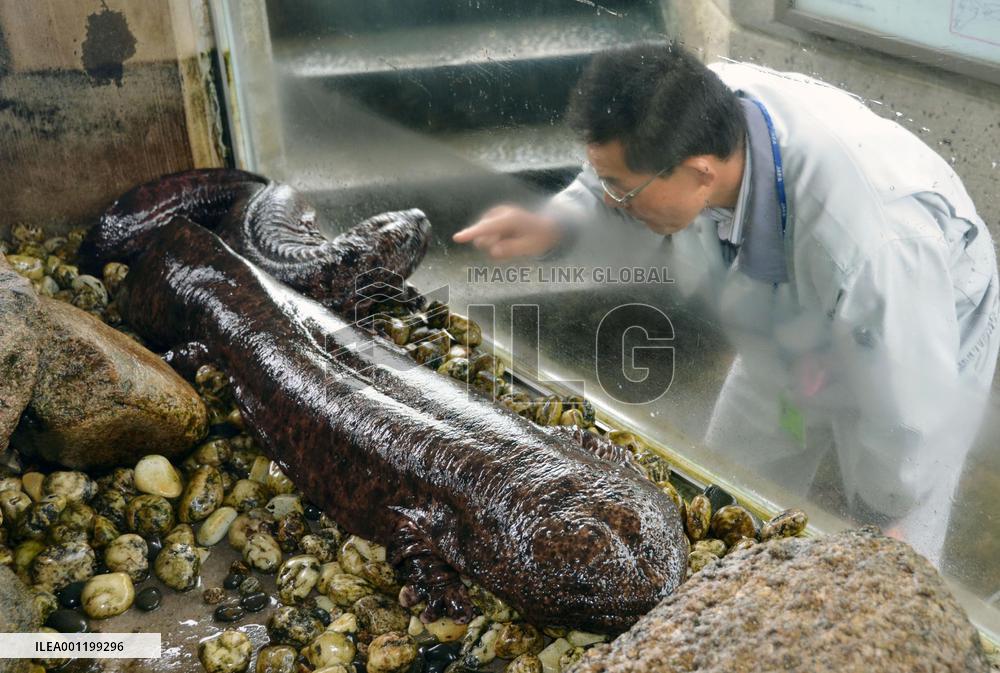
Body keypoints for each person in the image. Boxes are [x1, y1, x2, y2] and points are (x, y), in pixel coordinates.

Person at [451, 43, 1000, 564]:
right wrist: (556, 222)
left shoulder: (874, 245)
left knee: (896, 521)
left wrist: (885, 514)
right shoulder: (691, 116)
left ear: (699, 174)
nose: (616, 200)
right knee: (729, 483)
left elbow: (909, 410)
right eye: (609, 184)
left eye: (626, 192)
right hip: (788, 305)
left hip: (927, 315)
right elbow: (610, 180)